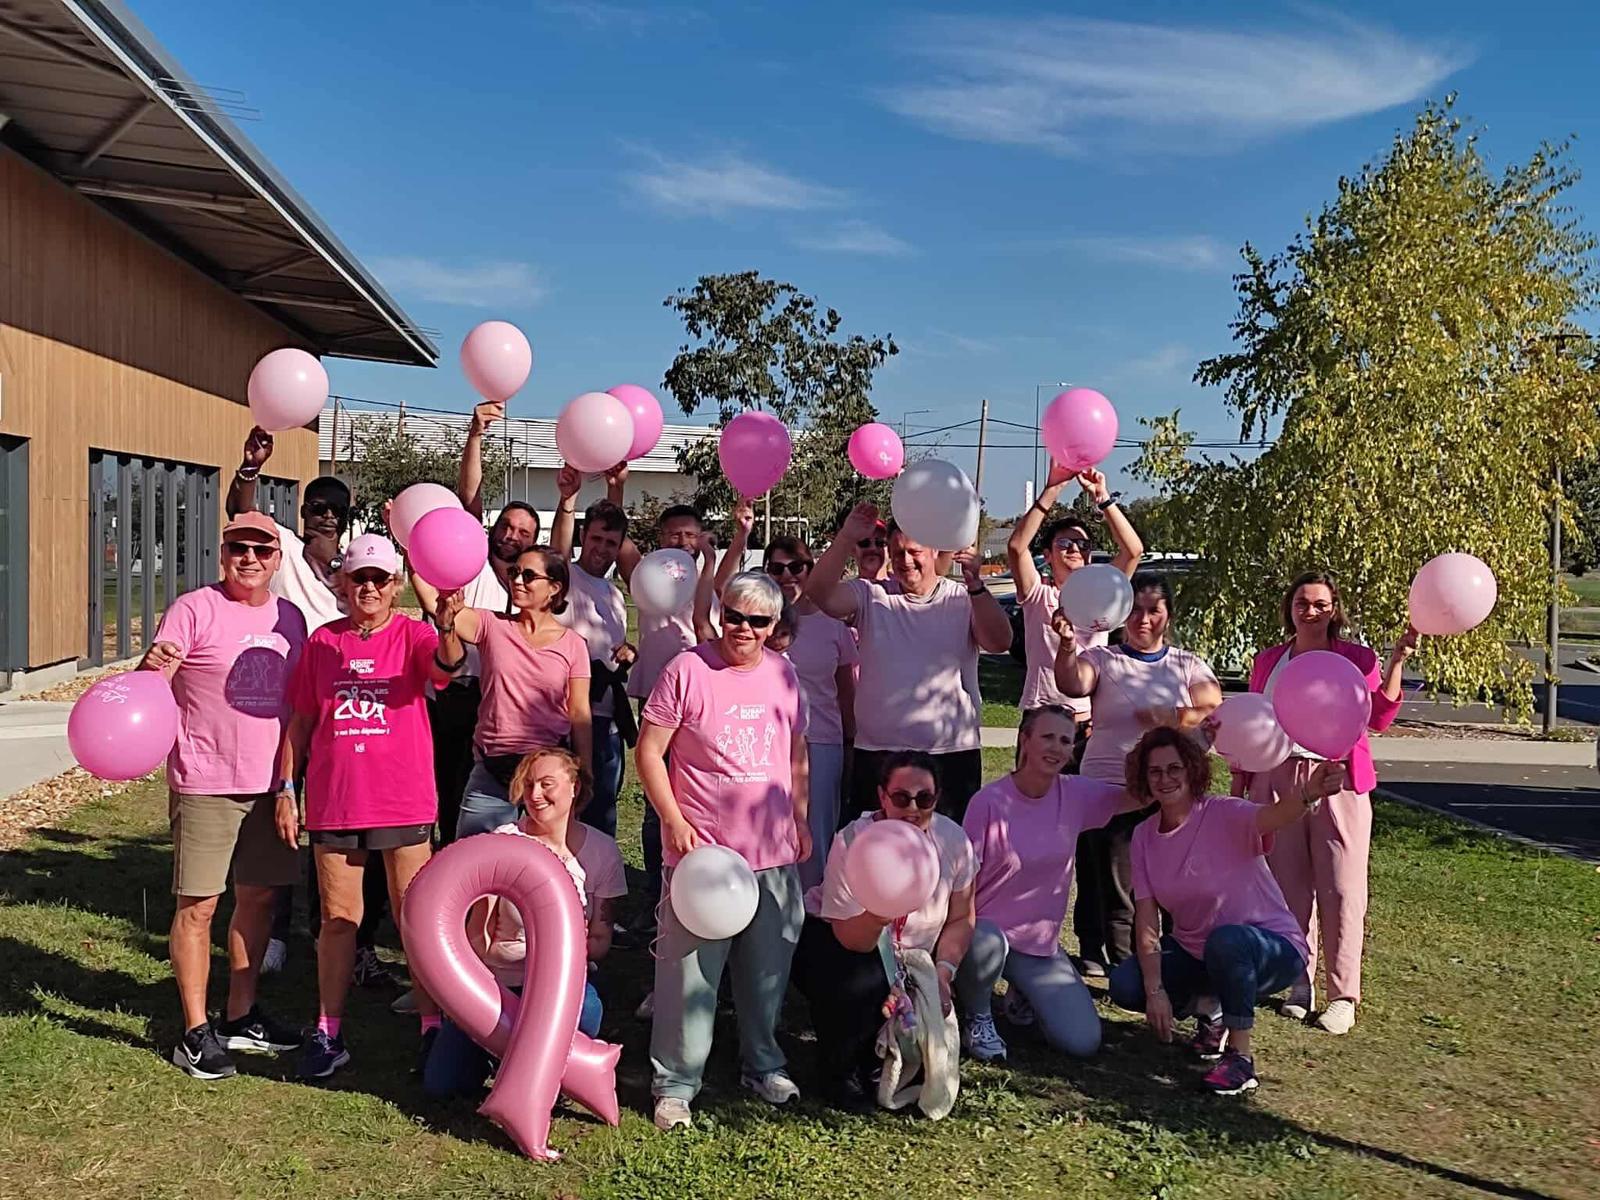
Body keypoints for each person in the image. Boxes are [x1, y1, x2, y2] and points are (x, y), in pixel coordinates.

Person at [636, 571, 810, 1132]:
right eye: (734, 615)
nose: (743, 628)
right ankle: (675, 1085)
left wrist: (801, 817)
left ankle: (763, 1065)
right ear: (720, 613)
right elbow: (649, 752)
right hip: (704, 857)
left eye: (757, 621)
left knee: (767, 973)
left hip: (771, 854)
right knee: (689, 978)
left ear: (773, 626)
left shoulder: (784, 673)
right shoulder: (687, 669)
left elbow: (796, 750)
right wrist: (673, 820)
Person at [139, 511, 306, 1079]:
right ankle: (193, 1031)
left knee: (258, 899)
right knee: (199, 906)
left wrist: (289, 783)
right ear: (223, 553)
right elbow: (150, 687)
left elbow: (298, 704)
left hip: (270, 785)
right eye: (239, 548)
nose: (250, 559)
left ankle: (240, 1015)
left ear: (277, 559)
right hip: (205, 781)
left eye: (262, 550)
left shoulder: (290, 618)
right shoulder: (193, 609)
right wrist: (148, 666)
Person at [276, 534, 451, 1079]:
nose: (369, 588)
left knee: (414, 919)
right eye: (359, 578)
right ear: (342, 583)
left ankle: (432, 1029)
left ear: (395, 585)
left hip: (403, 801)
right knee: (337, 920)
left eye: (379, 579)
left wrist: (448, 626)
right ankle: (328, 1032)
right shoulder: (322, 642)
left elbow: (444, 666)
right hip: (337, 803)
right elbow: (301, 721)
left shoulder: (415, 634)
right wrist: (286, 789)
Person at [1108, 727, 1349, 1095]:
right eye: (1154, 771)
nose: (1165, 779)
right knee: (1126, 984)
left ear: (1191, 770)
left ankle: (1240, 1058)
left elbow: (1275, 815)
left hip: (1271, 950)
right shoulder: (1143, 836)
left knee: (1227, 941)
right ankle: (1213, 1008)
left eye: (1174, 768)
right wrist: (1155, 991)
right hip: (1198, 954)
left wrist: (1308, 792)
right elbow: (1146, 919)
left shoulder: (1223, 812)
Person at [228, 426, 386, 978]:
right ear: (302, 513)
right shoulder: (287, 552)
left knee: (337, 826)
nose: (326, 517)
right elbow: (241, 511)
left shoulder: (354, 572)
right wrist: (250, 468)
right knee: (283, 817)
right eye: (317, 508)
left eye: (336, 511)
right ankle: (275, 930)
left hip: (345, 717)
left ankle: (337, 929)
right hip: (291, 709)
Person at [1238, 571, 1417, 1034]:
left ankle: (1343, 995)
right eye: (1302, 602)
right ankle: (1298, 982)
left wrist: (1396, 662)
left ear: (1334, 609)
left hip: (1339, 780)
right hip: (1279, 779)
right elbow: (1254, 724)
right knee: (1288, 888)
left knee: (1341, 888)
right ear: (1289, 608)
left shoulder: (1356, 658)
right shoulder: (1269, 661)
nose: (1311, 611)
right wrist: (1242, 783)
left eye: (1320, 604)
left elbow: (1379, 717)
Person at [423, 747, 625, 1099]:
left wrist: (553, 958)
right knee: (442, 1086)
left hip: (559, 988)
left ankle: (531, 1066)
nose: (535, 795)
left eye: (547, 784)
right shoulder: (503, 842)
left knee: (588, 1009)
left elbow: (600, 942)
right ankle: (503, 1054)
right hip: (498, 987)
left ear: (574, 787)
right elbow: (478, 937)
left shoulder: (602, 852)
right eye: (528, 785)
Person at [955, 705, 1145, 1063]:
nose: (1056, 748)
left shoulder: (1075, 794)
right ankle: (977, 1016)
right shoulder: (988, 802)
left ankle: (1022, 993)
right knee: (984, 940)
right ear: (1025, 740)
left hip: (1036, 945)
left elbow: (1139, 796)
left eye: (1065, 740)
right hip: (984, 936)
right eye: (1047, 737)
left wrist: (1189, 740)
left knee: (1082, 1041)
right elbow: (962, 882)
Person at [1055, 572, 1221, 977]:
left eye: (1153, 611)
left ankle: (1171, 956)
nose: (1143, 620)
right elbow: (1072, 682)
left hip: (1167, 793)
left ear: (1169, 616)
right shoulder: (1103, 658)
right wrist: (1067, 645)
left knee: (1168, 879)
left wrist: (1175, 717)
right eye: (1136, 610)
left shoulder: (1185, 663)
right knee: (1113, 879)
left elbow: (1212, 706)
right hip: (1107, 788)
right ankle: (1120, 961)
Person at [807, 503, 1012, 825]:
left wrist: (977, 586)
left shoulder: (961, 598)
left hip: (950, 754)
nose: (906, 561)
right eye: (898, 553)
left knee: (946, 849)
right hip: (878, 753)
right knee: (877, 849)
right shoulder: (871, 595)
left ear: (934, 551)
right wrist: (846, 538)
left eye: (914, 552)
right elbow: (820, 593)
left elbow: (1000, 642)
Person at [791, 752, 974, 1110]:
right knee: (864, 978)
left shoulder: (953, 840)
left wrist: (943, 973)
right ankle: (839, 1071)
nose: (913, 809)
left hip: (916, 958)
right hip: (847, 944)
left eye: (925, 798)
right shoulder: (854, 841)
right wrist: (881, 912)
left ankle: (884, 1061)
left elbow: (962, 918)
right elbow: (850, 937)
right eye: (901, 798)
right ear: (882, 796)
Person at [614, 475, 744, 927]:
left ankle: (701, 882)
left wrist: (736, 537)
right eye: (674, 535)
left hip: (705, 698)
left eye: (690, 535)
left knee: (699, 791)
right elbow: (621, 543)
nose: (682, 542)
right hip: (658, 700)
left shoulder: (707, 578)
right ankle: (658, 895)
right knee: (658, 797)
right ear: (661, 538)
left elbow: (726, 575)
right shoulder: (647, 572)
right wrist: (616, 488)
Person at [437, 547, 593, 838]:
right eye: (514, 572)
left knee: (547, 857)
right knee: (473, 855)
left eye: (529, 575)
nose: (517, 581)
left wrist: (585, 771)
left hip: (547, 772)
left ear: (554, 588)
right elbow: (446, 611)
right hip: (492, 769)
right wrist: (444, 614)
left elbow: (579, 712)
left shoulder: (573, 645)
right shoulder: (491, 625)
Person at [1005, 461, 1142, 768]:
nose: (1075, 549)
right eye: (1064, 544)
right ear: (1047, 555)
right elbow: (1016, 547)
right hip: (1042, 716)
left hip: (1089, 721)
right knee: (1034, 796)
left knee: (1087, 798)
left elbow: (1133, 551)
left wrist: (1102, 497)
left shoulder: (1104, 592)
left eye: (1082, 544)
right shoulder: (1039, 593)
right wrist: (1053, 488)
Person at [763, 535, 858, 888]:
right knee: (768, 827)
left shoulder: (834, 625)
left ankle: (813, 904)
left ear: (811, 568)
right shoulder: (756, 622)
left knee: (815, 832)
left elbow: (846, 693)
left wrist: (850, 743)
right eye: (777, 568)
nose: (787, 576)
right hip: (766, 743)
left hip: (821, 742)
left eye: (797, 567)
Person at [552, 469, 638, 839]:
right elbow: (557, 551)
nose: (602, 548)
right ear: (583, 536)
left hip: (607, 720)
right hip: (562, 716)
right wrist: (567, 500)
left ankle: (598, 874)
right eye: (596, 538)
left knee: (601, 814)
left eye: (611, 543)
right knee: (557, 810)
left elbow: (613, 646)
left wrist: (629, 652)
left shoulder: (616, 595)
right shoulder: (564, 578)